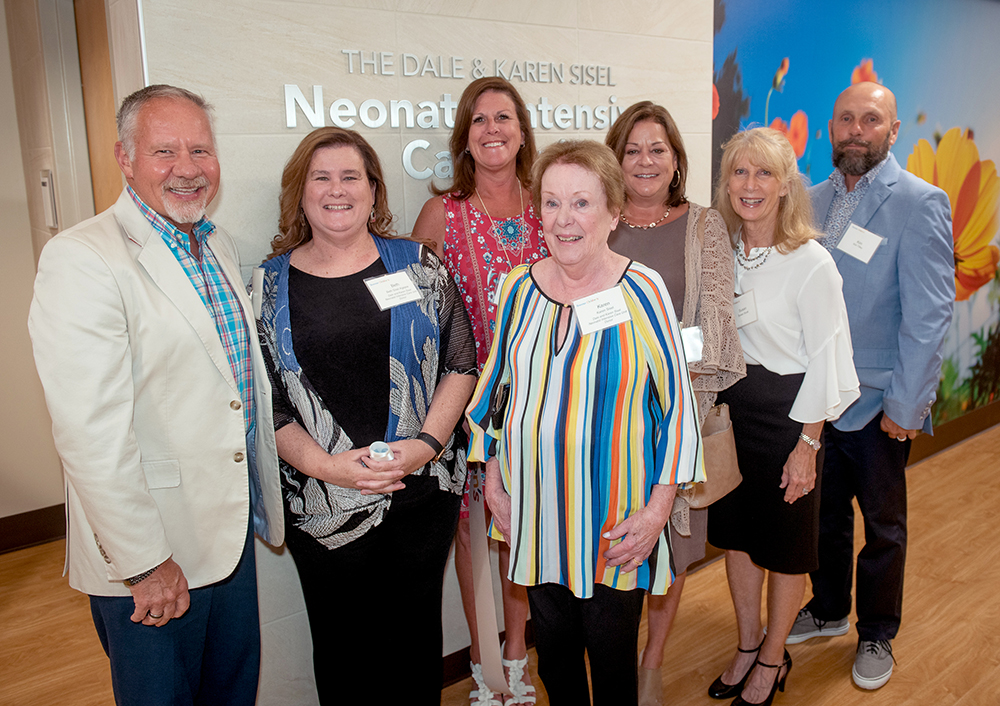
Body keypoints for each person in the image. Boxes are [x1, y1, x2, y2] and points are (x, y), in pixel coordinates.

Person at [27, 85, 284, 706]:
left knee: (231, 694)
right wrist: (144, 563)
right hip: (153, 556)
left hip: (224, 537)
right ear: (125, 157)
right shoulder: (83, 257)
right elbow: (89, 432)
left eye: (201, 149)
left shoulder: (213, 244)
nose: (188, 168)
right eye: (164, 151)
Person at [467, 139, 703, 706]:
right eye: (551, 203)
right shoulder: (518, 287)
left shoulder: (643, 291)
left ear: (613, 213)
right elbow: (497, 390)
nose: (564, 220)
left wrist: (657, 512)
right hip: (536, 514)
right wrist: (494, 481)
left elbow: (676, 408)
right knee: (557, 655)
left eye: (581, 203)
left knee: (611, 658)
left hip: (613, 523)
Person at [257, 126, 477, 705]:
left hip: (420, 494)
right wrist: (329, 467)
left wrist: (426, 443)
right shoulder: (267, 286)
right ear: (299, 193)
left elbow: (461, 360)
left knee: (413, 645)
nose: (337, 189)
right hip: (323, 504)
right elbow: (266, 403)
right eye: (321, 177)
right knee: (343, 652)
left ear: (374, 189)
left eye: (350, 176)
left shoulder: (417, 265)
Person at [787, 82, 954, 690]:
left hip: (880, 403)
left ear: (891, 131)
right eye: (846, 119)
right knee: (823, 518)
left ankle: (877, 631)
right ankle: (829, 608)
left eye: (871, 119)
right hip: (814, 403)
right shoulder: (806, 200)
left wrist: (908, 405)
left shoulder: (920, 202)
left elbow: (929, 314)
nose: (857, 130)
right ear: (832, 129)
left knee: (882, 527)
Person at [706, 127, 860, 706]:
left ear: (785, 186)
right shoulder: (722, 252)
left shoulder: (811, 261)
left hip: (790, 418)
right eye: (740, 173)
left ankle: (774, 655)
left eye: (763, 173)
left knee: (787, 545)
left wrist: (808, 446)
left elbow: (829, 357)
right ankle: (747, 644)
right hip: (734, 415)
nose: (750, 185)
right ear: (726, 184)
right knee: (740, 539)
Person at [605, 101, 745, 705]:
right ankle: (610, 656)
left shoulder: (704, 224)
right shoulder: (594, 218)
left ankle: (653, 662)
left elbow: (716, 324)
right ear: (615, 158)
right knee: (613, 542)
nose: (644, 160)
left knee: (672, 548)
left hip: (678, 411)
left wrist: (663, 386)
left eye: (657, 149)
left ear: (675, 159)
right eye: (632, 149)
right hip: (604, 418)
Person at [412, 75, 546, 705]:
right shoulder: (443, 212)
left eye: (504, 118)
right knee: (473, 533)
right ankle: (484, 662)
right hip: (468, 405)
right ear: (465, 136)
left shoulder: (549, 203)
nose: (493, 129)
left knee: (521, 528)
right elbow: (413, 315)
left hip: (546, 399)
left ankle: (517, 656)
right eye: (480, 120)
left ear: (522, 131)